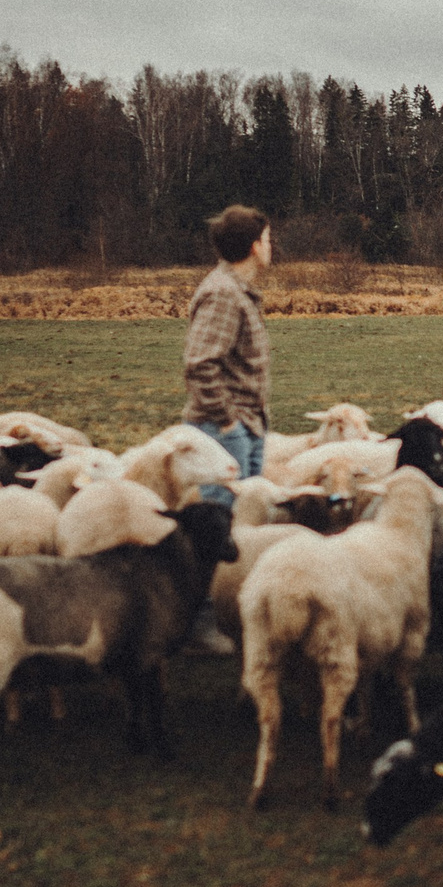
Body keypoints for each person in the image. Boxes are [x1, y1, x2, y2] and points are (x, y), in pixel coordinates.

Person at [180, 205, 272, 653]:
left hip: (245, 426)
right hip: (225, 431)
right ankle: (196, 622)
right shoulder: (222, 294)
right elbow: (199, 363)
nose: (271, 247)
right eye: (268, 239)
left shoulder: (238, 292)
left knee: (240, 530)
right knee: (213, 528)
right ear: (255, 246)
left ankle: (231, 616)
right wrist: (227, 421)